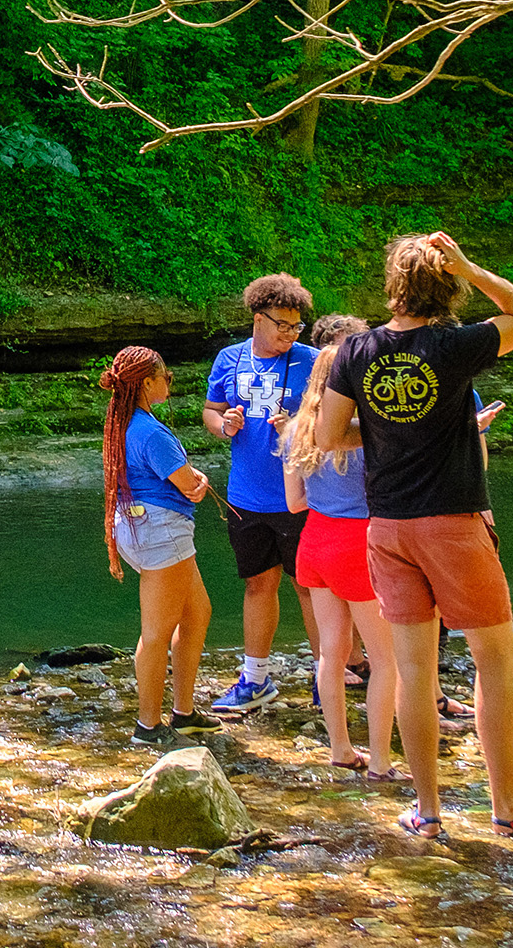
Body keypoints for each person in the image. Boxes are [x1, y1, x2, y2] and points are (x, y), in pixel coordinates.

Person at [320, 232, 513, 841]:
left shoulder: (355, 350)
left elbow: (328, 436)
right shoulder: (454, 345)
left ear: (393, 284)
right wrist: (472, 264)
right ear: (446, 284)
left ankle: (428, 811)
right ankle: (507, 806)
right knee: (494, 662)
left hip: (388, 528)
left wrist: (383, 436)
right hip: (454, 523)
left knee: (413, 670)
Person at [284, 313, 399, 778]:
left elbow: (293, 503)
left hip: (314, 539)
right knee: (385, 659)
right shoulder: (366, 431)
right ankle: (383, 762)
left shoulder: (295, 430)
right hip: (359, 543)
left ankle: (340, 749)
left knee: (331, 654)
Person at [202, 272, 318, 714]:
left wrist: (297, 428)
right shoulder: (229, 358)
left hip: (301, 496)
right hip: (245, 496)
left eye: (296, 326)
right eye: (282, 325)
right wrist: (223, 425)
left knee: (310, 587)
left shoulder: (313, 360)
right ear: (257, 318)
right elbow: (212, 411)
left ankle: (327, 675)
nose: (290, 334)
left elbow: (334, 420)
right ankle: (255, 679)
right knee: (258, 584)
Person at [100, 346, 217, 745]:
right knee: (157, 632)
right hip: (162, 533)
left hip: (139, 529)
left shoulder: (125, 423)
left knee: (197, 612)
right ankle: (148, 728)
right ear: (147, 383)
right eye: (165, 375)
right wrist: (198, 483)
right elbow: (186, 482)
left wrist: (188, 479)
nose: (170, 380)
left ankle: (183, 713)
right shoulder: (150, 431)